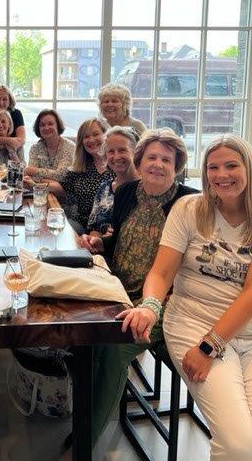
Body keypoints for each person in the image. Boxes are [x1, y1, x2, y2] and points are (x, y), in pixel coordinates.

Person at [119, 134, 252, 461]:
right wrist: (151, 306)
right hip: (193, 324)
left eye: (231, 165)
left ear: (248, 168)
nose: (221, 174)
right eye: (213, 167)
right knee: (239, 445)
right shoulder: (190, 208)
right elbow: (162, 272)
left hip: (242, 333)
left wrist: (212, 344)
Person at [78, 128, 196, 447]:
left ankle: (86, 439)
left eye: (166, 160)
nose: (158, 164)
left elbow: (192, 263)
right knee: (81, 332)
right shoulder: (128, 191)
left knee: (115, 347)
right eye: (151, 157)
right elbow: (119, 237)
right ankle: (83, 405)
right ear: (140, 162)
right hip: (117, 288)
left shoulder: (189, 203)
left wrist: (161, 299)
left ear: (177, 167)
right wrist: (100, 243)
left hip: (161, 302)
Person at [46, 118, 113, 234]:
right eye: (86, 137)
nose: (91, 140)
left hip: (108, 230)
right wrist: (34, 184)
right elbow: (62, 187)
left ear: (106, 135)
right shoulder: (80, 167)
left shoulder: (117, 165)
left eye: (96, 134)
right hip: (81, 225)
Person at [82, 126, 139, 238]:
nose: (116, 157)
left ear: (135, 152)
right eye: (111, 152)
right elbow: (94, 229)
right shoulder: (104, 188)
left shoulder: (145, 188)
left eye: (122, 150)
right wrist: (94, 240)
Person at [23, 109, 74, 183]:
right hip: (38, 189)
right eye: (42, 125)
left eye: (50, 124)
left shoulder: (70, 147)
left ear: (58, 125)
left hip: (64, 190)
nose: (46, 128)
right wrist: (54, 182)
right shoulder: (35, 148)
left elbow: (61, 176)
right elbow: (30, 176)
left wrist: (36, 171)